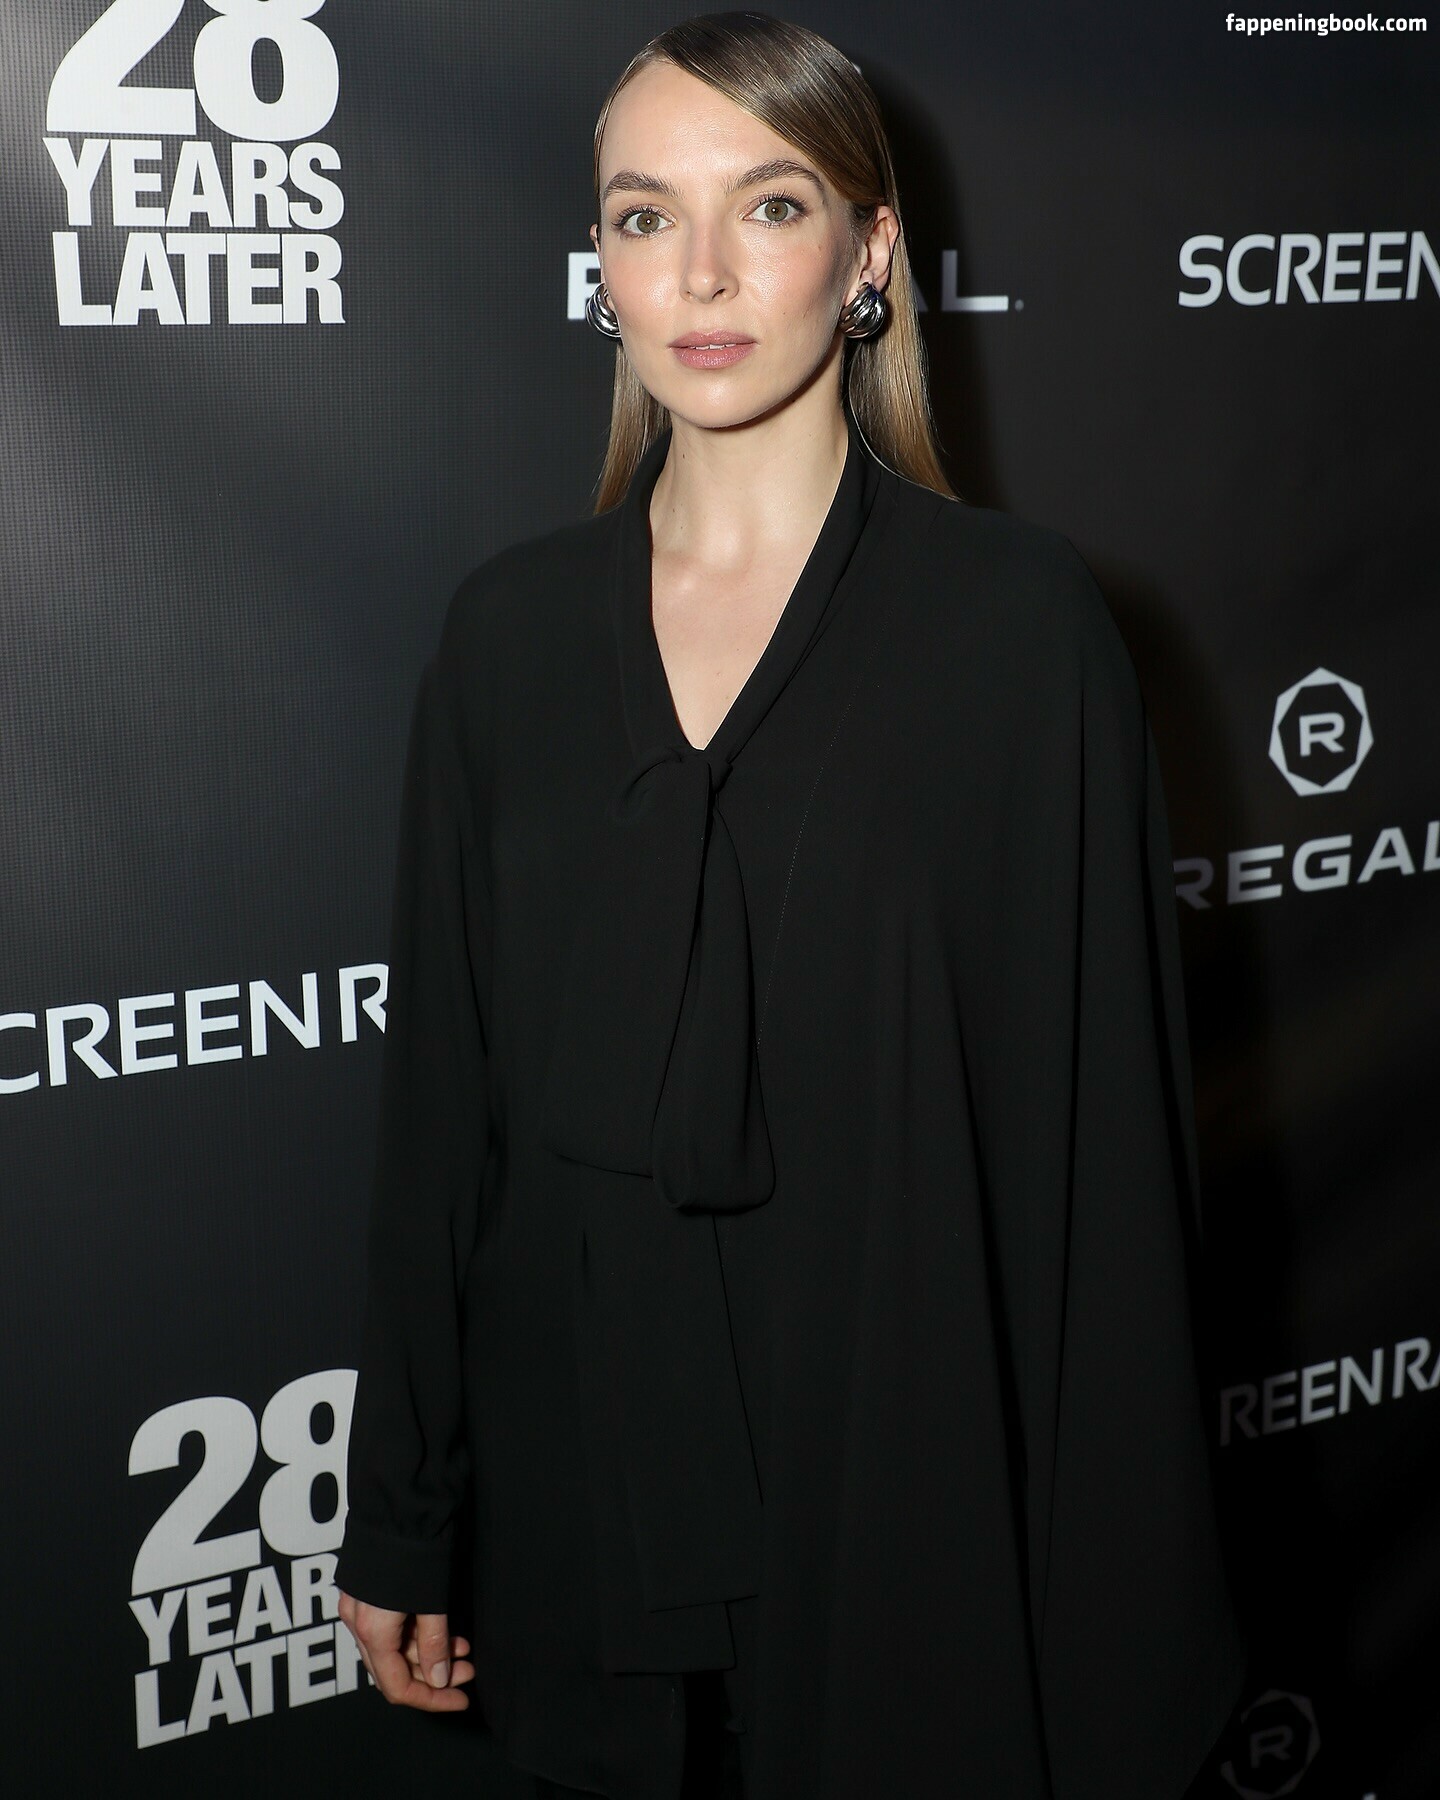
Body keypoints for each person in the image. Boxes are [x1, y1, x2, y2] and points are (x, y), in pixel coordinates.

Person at [334, 12, 1248, 1800]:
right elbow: (444, 1118)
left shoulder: (1020, 629)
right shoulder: (506, 639)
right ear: (599, 264)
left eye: (767, 204)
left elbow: (1104, 1161)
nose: (699, 272)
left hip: (907, 1508)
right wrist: (405, 1509)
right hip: (580, 1498)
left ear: (870, 251)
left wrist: (1116, 1616)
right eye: (642, 215)